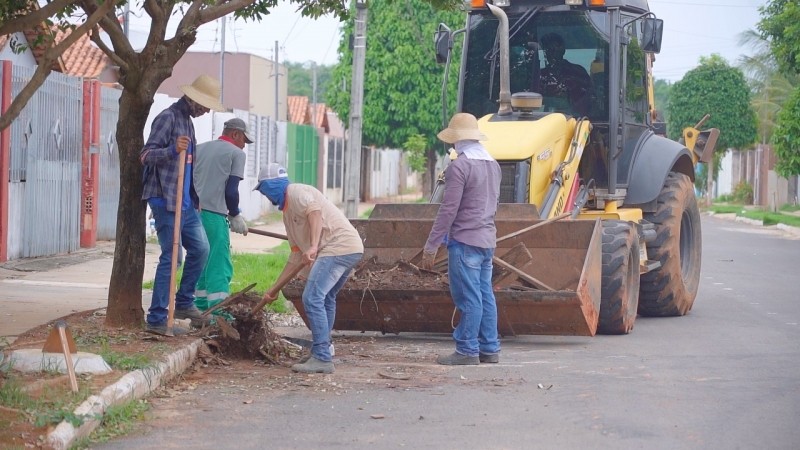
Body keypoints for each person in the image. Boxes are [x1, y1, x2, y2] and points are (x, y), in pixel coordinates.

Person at [254, 163, 363, 374]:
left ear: (272, 185)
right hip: (350, 249)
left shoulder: (295, 192)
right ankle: (324, 349)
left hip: (338, 247)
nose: (265, 195)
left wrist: (313, 245)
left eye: (264, 189)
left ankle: (321, 356)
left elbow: (314, 212)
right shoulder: (287, 214)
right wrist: (273, 290)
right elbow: (295, 256)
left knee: (312, 298)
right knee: (325, 298)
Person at [140, 74, 225, 336]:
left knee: (201, 249)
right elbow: (145, 155)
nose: (208, 110)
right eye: (206, 104)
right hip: (165, 199)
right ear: (194, 100)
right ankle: (156, 319)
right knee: (172, 258)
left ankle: (185, 302)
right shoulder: (168, 118)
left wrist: (193, 200)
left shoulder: (187, 122)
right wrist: (172, 150)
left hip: (185, 203)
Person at [420, 112, 502, 365]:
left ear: (457, 141)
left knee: (469, 298)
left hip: (465, 242)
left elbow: (448, 210)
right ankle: (490, 348)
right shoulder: (493, 165)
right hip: (487, 241)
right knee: (485, 295)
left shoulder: (460, 167)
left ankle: (467, 349)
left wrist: (431, 245)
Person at [193, 118, 252, 315]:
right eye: (244, 139)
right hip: (215, 215)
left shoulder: (200, 148)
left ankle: (200, 307)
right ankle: (218, 313)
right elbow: (231, 191)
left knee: (201, 259)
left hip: (194, 214)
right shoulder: (236, 154)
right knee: (219, 263)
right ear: (235, 134)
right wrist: (235, 215)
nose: (244, 145)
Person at [537, 32, 592, 116]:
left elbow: (590, 97)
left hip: (575, 121)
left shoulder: (578, 72)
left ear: (562, 50)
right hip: (545, 120)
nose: (550, 53)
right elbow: (533, 100)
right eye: (547, 50)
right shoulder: (541, 75)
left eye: (553, 49)